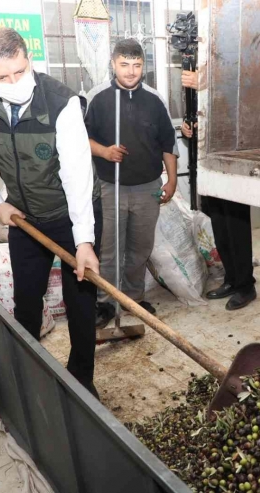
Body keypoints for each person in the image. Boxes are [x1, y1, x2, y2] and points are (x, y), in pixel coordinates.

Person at [0, 28, 103, 397]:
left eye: (20, 72)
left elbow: (76, 176)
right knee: (26, 298)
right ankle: (24, 372)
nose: (13, 82)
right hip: (24, 218)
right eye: (1, 77)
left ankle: (82, 379)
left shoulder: (62, 102)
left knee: (80, 301)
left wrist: (83, 240)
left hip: (71, 214)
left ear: (28, 59)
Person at [85, 39, 178, 329]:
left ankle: (133, 298)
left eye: (137, 65)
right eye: (124, 65)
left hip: (148, 186)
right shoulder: (97, 97)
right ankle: (106, 302)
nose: (130, 71)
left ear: (143, 67)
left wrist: (172, 179)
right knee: (110, 249)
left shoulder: (154, 99)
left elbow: (167, 143)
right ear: (113, 64)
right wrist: (104, 151)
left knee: (140, 248)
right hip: (110, 186)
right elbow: (79, 140)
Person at [181, 69, 257, 310]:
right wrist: (189, 126)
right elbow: (203, 112)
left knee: (236, 225)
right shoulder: (201, 63)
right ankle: (232, 279)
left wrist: (205, 84)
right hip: (209, 156)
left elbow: (242, 95)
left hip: (232, 155)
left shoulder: (232, 63)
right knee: (219, 224)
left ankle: (246, 285)